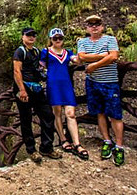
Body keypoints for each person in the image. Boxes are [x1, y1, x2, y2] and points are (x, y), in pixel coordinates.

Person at [77, 14, 125, 166]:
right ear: (87, 28)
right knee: (100, 113)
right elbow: (82, 57)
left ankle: (119, 146)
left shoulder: (110, 39)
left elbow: (114, 57)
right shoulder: (82, 41)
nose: (94, 27)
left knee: (116, 115)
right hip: (93, 83)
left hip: (110, 82)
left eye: (97, 24)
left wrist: (93, 65)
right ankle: (107, 141)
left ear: (102, 26)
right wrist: (103, 55)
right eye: (91, 25)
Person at [13, 27, 62, 163]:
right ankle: (31, 150)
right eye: (28, 35)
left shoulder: (36, 51)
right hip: (24, 88)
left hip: (36, 87)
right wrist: (22, 90)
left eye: (34, 35)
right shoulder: (20, 51)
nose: (31, 37)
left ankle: (46, 147)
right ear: (23, 37)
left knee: (48, 115)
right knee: (26, 119)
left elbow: (44, 64)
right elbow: (17, 71)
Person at [40, 28, 88, 160]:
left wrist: (81, 46)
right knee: (57, 113)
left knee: (71, 114)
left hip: (66, 85)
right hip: (53, 85)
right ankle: (63, 139)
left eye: (60, 38)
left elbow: (77, 60)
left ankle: (77, 143)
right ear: (50, 39)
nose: (57, 40)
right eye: (55, 38)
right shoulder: (46, 52)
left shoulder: (67, 52)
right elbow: (40, 66)